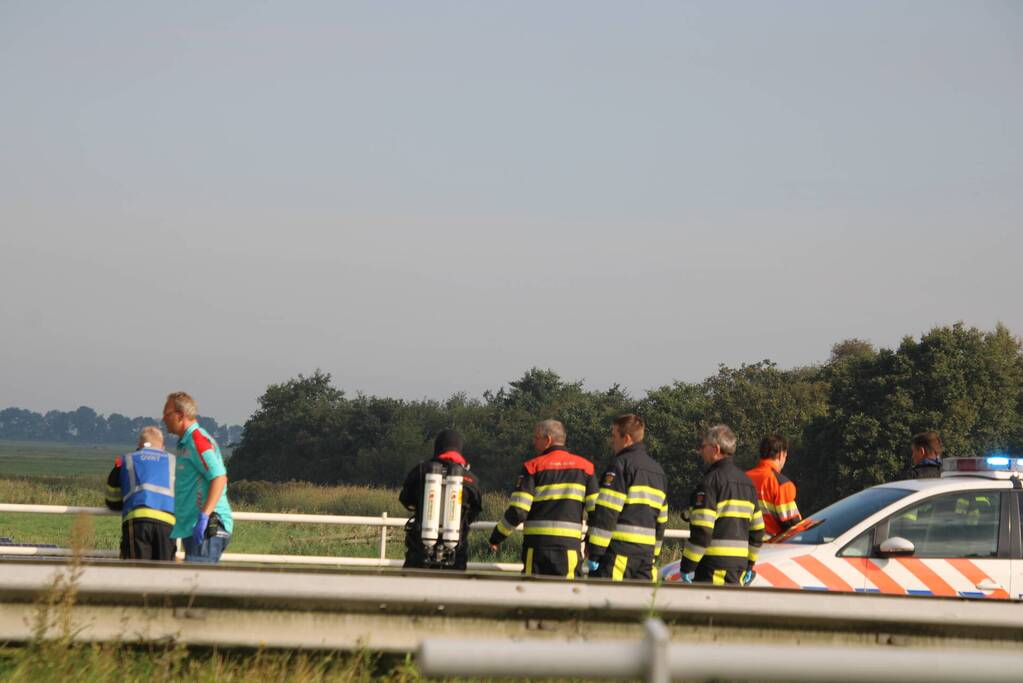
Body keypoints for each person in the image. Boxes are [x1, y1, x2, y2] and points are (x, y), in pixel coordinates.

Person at [488, 420, 598, 578]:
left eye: (536, 438)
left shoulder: (532, 467)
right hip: (569, 548)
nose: (533, 442)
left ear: (548, 440)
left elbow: (519, 511)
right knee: (567, 597)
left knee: (534, 597)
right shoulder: (585, 467)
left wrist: (496, 536)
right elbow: (596, 512)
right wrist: (591, 543)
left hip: (537, 548)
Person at [584, 414, 668, 582]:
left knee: (608, 605)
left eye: (614, 436)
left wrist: (595, 551)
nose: (611, 440)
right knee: (639, 606)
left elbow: (607, 511)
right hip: (645, 558)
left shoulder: (620, 465)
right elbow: (662, 519)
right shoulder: (658, 471)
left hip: (617, 555)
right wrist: (654, 554)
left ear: (627, 438)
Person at [679, 425, 765, 586]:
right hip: (738, 569)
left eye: (703, 446)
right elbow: (758, 530)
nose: (700, 451)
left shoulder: (710, 482)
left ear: (716, 449)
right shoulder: (747, 483)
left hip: (712, 568)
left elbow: (702, 531)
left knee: (709, 611)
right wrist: (750, 564)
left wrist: (687, 566)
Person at [162, 391, 233, 563]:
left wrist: (204, 516)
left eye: (167, 414)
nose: (164, 419)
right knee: (195, 585)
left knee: (196, 583)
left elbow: (219, 477)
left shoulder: (197, 440)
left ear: (181, 415)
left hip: (207, 527)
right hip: (193, 527)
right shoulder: (186, 443)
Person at [399, 429, 483, 570]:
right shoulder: (471, 480)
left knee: (412, 591)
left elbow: (405, 500)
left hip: (420, 552)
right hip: (455, 554)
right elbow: (476, 509)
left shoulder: (420, 471)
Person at [104, 426, 177, 561]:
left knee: (137, 573)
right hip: (168, 525)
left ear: (139, 445)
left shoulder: (126, 460)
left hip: (137, 521)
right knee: (166, 574)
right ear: (163, 446)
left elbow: (112, 500)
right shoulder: (174, 461)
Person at [745, 434, 801, 538]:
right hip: (771, 547)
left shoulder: (742, 479)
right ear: (781, 455)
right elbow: (792, 524)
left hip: (741, 545)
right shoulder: (782, 484)